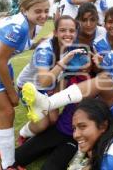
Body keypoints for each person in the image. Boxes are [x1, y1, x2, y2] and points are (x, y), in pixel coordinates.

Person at [21, 24, 113, 128]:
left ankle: (48, 104)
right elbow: (105, 77)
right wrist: (99, 66)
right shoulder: (112, 56)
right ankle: (47, 105)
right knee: (94, 95)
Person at [0, 0, 50, 170]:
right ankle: (7, 165)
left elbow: (18, 48)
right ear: (24, 10)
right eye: (38, 11)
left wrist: (38, 42)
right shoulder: (18, 27)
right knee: (6, 112)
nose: (43, 15)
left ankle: (6, 154)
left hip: (1, 65)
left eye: (46, 10)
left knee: (7, 113)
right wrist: (12, 92)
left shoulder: (35, 25)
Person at [16, 15, 87, 143]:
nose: (68, 34)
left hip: (49, 86)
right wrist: (63, 62)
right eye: (63, 30)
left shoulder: (71, 45)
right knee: (42, 124)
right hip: (30, 88)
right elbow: (44, 81)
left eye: (71, 31)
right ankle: (23, 134)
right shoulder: (45, 50)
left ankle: (38, 129)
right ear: (55, 32)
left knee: (53, 120)